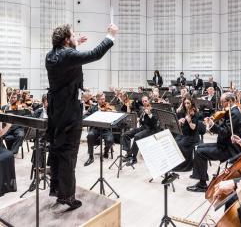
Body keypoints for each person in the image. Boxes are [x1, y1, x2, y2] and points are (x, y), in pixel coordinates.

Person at [46, 23, 117, 209]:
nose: (75, 38)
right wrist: (110, 36)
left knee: (57, 149)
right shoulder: (68, 55)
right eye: (72, 36)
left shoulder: (51, 55)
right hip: (69, 110)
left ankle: (56, 188)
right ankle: (67, 197)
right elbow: (95, 54)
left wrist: (76, 44)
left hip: (56, 109)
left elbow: (67, 60)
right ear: (67, 40)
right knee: (69, 152)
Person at [187, 93, 241, 192]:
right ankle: (201, 177)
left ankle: (202, 184)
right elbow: (225, 129)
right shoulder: (231, 112)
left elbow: (225, 132)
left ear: (230, 102)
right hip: (223, 145)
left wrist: (213, 125)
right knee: (199, 147)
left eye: (223, 102)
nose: (221, 105)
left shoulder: (234, 113)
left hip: (228, 149)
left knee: (199, 153)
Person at [122, 96, 158, 166]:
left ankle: (134, 157)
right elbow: (138, 117)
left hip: (150, 129)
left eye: (146, 101)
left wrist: (149, 114)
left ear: (149, 101)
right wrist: (137, 119)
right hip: (143, 128)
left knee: (137, 136)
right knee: (126, 134)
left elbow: (155, 121)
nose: (144, 102)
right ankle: (129, 154)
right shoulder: (141, 109)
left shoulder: (153, 110)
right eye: (143, 101)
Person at [83, 93, 115, 166]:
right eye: (101, 99)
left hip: (106, 129)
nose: (103, 101)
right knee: (90, 136)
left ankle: (106, 151)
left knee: (110, 141)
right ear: (97, 100)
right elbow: (85, 118)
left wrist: (113, 114)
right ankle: (91, 157)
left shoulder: (108, 108)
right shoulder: (92, 108)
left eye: (103, 99)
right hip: (95, 128)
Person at [173, 97, 202, 172]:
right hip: (184, 133)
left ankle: (186, 165)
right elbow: (176, 120)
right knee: (174, 142)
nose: (186, 105)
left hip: (192, 135)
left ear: (191, 103)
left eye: (188, 103)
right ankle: (177, 162)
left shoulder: (195, 113)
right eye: (185, 103)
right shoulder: (183, 112)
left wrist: (189, 121)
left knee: (181, 144)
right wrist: (179, 121)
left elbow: (193, 127)